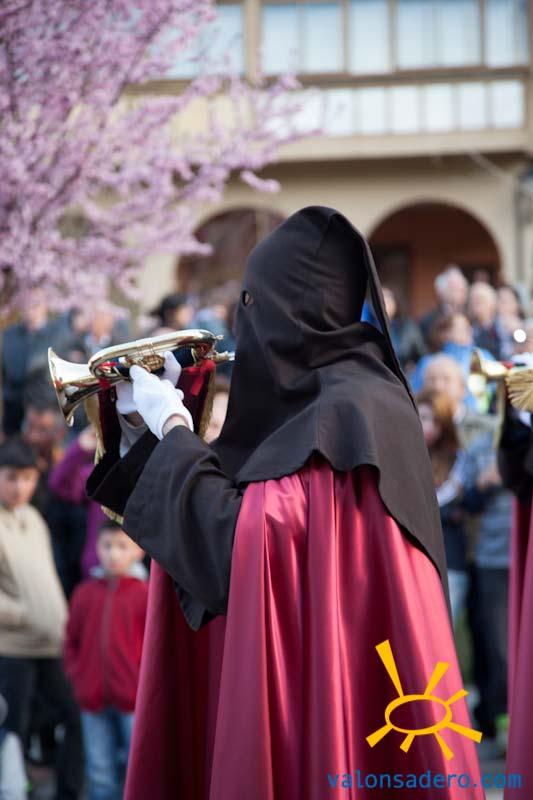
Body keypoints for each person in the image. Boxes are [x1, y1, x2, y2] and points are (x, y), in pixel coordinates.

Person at [87, 207, 484, 799]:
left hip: (329, 698)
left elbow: (246, 549)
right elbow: (245, 510)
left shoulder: (343, 412)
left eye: (253, 304)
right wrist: (149, 432)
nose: (245, 325)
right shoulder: (350, 398)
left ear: (292, 311)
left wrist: (172, 429)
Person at [0, 437, 83, 800]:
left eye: (27, 478)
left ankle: (68, 792)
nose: (20, 487)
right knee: (12, 729)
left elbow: (48, 577)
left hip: (51, 643)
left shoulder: (34, 519)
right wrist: (23, 615)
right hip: (12, 646)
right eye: (11, 477)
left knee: (75, 716)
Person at [64, 519, 148, 800]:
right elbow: (71, 641)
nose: (113, 553)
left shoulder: (146, 594)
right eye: (107, 545)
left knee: (140, 771)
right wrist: (78, 677)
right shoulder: (84, 594)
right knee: (100, 774)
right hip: (92, 700)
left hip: (135, 702)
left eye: (122, 546)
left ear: (138, 550)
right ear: (96, 547)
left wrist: (143, 685)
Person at [416, 391, 469, 626]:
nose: (427, 426)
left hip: (450, 561)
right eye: (422, 417)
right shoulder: (400, 458)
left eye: (435, 420)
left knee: (441, 633)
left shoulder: (459, 460)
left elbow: (460, 505)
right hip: (413, 561)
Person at [418, 265, 469, 346]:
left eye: (462, 290)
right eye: (454, 290)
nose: (459, 294)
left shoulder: (470, 316)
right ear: (440, 292)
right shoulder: (428, 320)